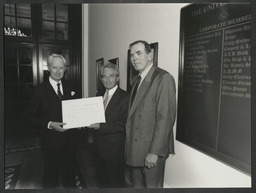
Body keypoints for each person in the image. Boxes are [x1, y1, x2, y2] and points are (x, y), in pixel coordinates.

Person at [125, 40, 176, 188]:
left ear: (150, 55)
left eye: (139, 53)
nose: (135, 58)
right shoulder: (137, 80)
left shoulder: (163, 78)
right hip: (135, 150)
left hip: (151, 152)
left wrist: (154, 152)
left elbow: (165, 119)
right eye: (132, 55)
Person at [26, 54, 77, 188]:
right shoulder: (39, 90)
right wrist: (49, 124)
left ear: (65, 69)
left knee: (70, 176)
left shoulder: (70, 87)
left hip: (70, 141)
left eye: (61, 67)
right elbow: (30, 117)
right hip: (50, 142)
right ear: (48, 68)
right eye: (55, 67)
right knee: (50, 177)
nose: (58, 71)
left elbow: (75, 110)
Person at [89, 63, 129, 188]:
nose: (107, 79)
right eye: (104, 76)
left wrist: (101, 127)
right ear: (101, 78)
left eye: (111, 76)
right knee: (101, 181)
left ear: (117, 78)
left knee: (115, 183)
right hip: (97, 148)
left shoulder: (126, 97)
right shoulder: (98, 95)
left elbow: (125, 125)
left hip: (115, 151)